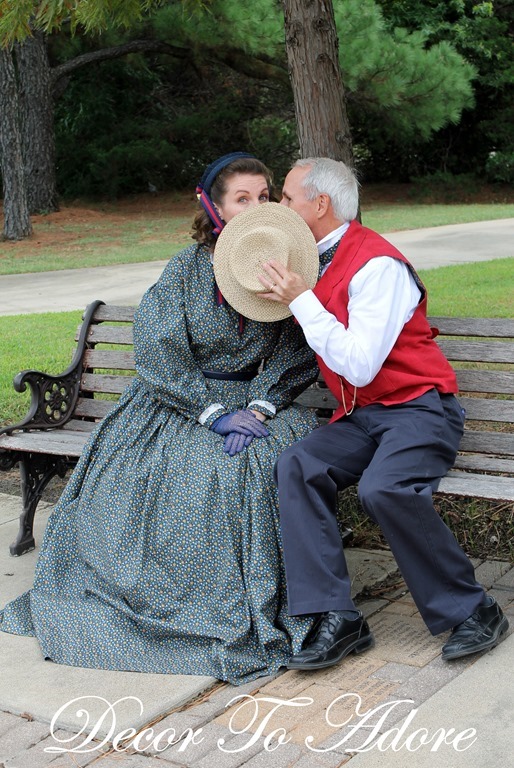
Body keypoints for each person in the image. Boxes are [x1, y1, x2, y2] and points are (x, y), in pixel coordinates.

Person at [0, 152, 322, 685]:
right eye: (242, 198)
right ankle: (168, 601)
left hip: (254, 401)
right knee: (189, 470)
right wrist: (212, 412)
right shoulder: (186, 270)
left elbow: (295, 350)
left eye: (263, 197)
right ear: (212, 206)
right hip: (177, 402)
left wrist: (261, 404)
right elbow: (158, 350)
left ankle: (254, 604)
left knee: (263, 460)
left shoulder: (285, 273)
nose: (256, 207)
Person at [257, 157, 509, 670]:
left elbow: (359, 363)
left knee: (383, 488)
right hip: (365, 415)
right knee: (297, 465)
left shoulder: (377, 266)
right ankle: (337, 616)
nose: (278, 207)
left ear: (319, 204)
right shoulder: (311, 261)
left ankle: (474, 610)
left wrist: (303, 301)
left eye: (286, 197)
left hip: (420, 410)